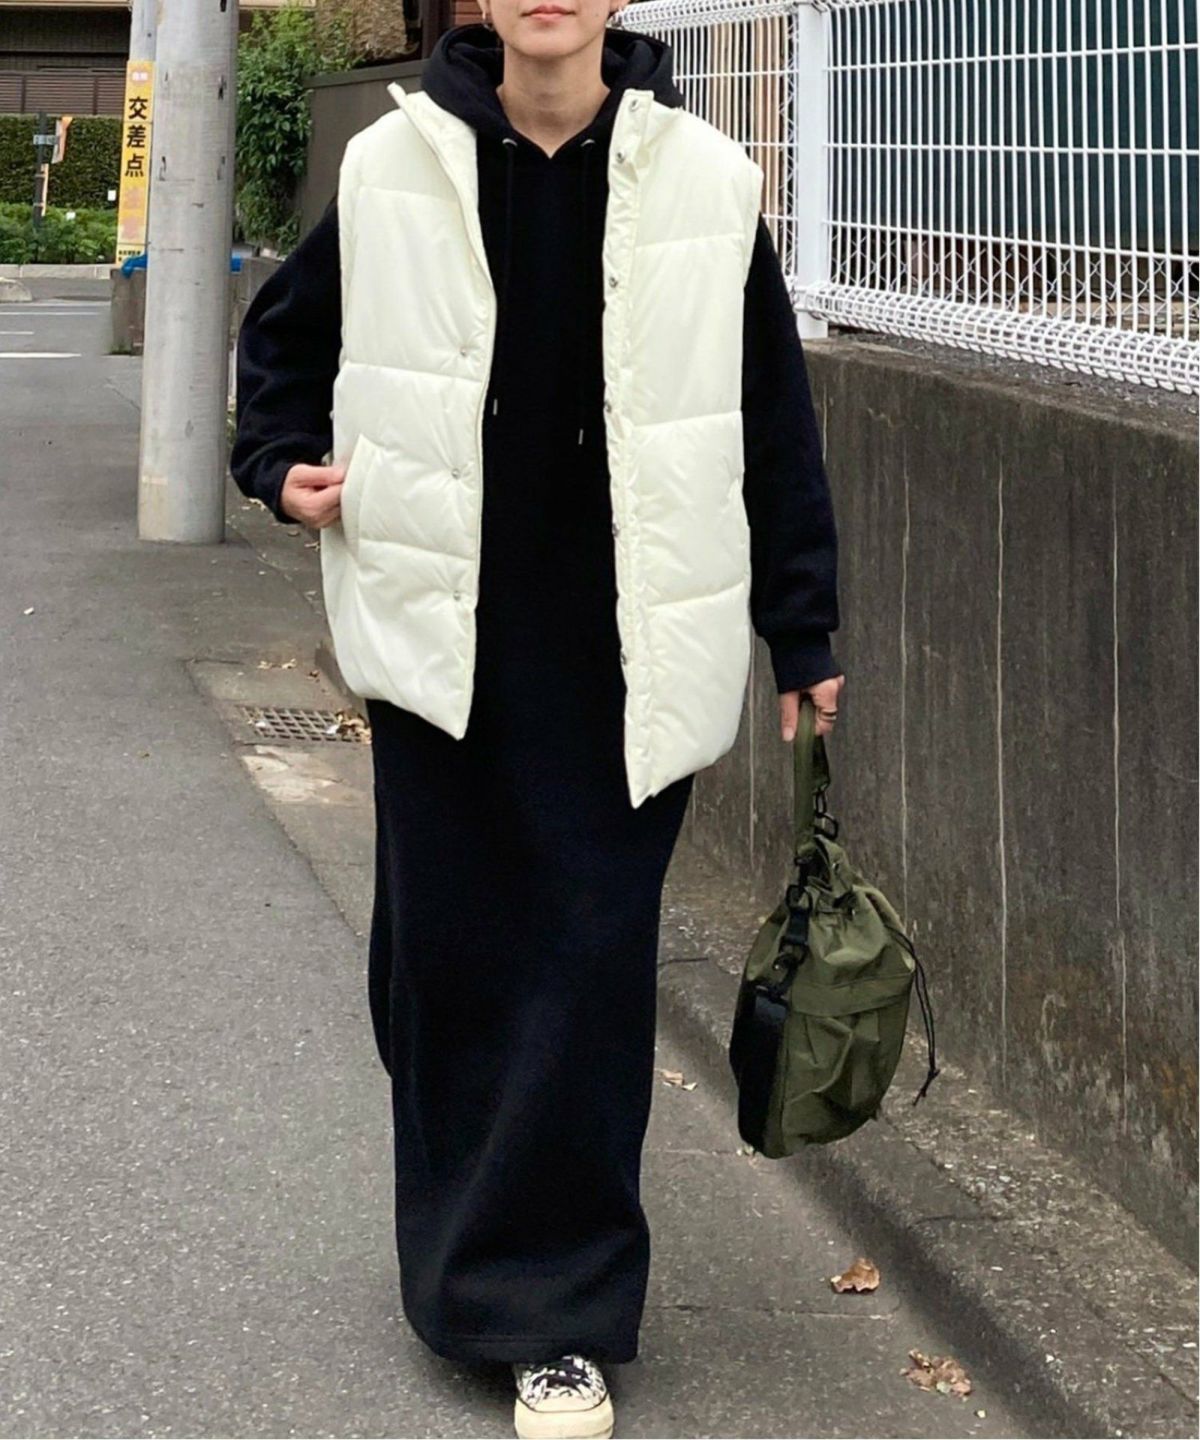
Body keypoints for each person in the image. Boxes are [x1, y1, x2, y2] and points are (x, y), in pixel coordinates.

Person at [231, 6, 844, 1437]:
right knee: (443, 971)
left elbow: (770, 414)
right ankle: (472, 1260)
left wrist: (802, 626)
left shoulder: (708, 179)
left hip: (633, 650)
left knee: (584, 973)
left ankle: (553, 1318)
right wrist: (280, 464)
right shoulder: (394, 165)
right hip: (441, 636)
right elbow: (286, 344)